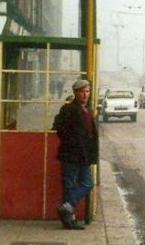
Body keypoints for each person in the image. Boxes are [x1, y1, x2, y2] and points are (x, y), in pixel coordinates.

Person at [52, 79, 98, 230]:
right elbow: (58, 128)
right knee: (70, 186)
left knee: (87, 184)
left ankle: (67, 207)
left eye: (87, 91)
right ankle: (69, 220)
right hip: (71, 155)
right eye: (82, 91)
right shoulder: (69, 109)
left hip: (84, 156)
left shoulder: (88, 110)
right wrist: (71, 143)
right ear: (75, 93)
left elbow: (91, 134)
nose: (85, 94)